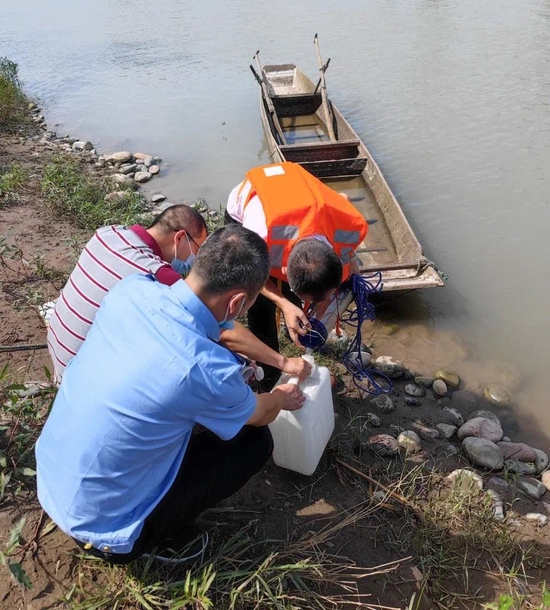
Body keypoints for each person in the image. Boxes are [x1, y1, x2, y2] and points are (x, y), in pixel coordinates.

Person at [35, 225, 305, 565]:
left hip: (50, 477)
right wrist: (281, 396)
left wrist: (280, 361)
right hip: (107, 532)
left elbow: (219, 327)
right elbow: (260, 413)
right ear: (238, 302)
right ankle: (163, 536)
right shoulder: (207, 370)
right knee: (255, 444)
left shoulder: (132, 290)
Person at [226, 162, 368, 388]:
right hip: (254, 198)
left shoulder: (347, 224)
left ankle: (292, 321)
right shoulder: (258, 231)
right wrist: (283, 303)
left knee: (293, 302)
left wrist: (336, 295)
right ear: (283, 271)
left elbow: (350, 265)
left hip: (305, 197)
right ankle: (271, 375)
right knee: (261, 306)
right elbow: (252, 276)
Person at [47, 204, 208, 383]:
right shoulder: (158, 274)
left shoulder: (107, 234)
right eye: (197, 250)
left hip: (58, 355)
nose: (195, 260)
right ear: (179, 238)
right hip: (79, 380)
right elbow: (206, 324)